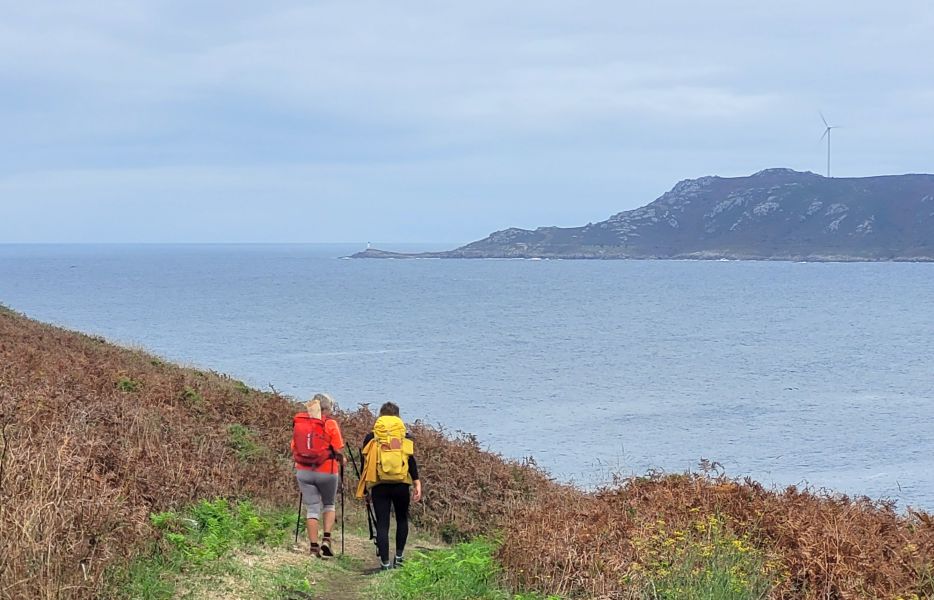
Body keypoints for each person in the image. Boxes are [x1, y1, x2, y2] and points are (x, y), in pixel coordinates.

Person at [356, 401, 422, 570]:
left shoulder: (372, 437)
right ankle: (399, 557)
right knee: (401, 519)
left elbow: (366, 463)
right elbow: (410, 460)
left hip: (379, 484)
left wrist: (363, 486)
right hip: (401, 484)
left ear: (381, 416)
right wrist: (417, 482)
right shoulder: (404, 436)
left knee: (382, 523)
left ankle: (385, 563)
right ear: (398, 417)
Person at [292, 393, 346, 557]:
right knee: (329, 505)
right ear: (327, 408)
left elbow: (293, 446)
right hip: (327, 471)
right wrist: (342, 459)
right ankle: (326, 540)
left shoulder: (300, 422)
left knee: (312, 509)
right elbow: (338, 448)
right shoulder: (330, 423)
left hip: (303, 471)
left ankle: (313, 548)